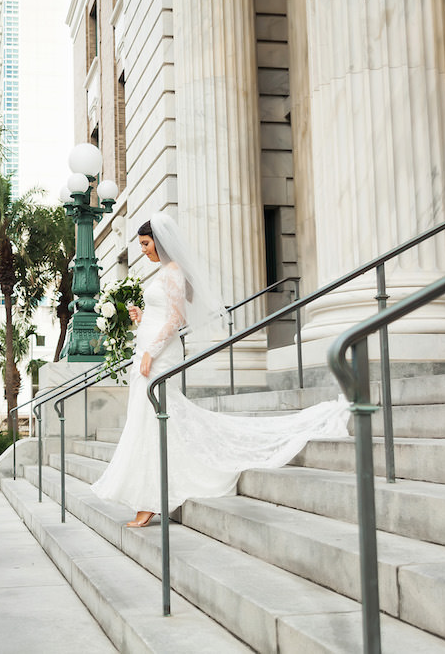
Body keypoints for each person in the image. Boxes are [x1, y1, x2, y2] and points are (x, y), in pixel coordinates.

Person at [91, 212, 351, 527]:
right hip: (148, 350)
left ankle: (150, 500)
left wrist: (151, 353)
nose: (143, 249)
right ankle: (150, 494)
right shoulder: (163, 273)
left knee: (154, 416)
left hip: (158, 354)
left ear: (159, 241)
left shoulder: (173, 272)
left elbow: (176, 320)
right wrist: (140, 317)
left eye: (145, 243)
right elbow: (162, 316)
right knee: (151, 418)